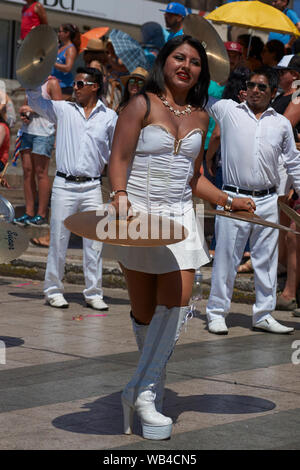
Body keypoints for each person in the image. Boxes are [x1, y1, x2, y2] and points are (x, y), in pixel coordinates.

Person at [107, 35, 255, 441]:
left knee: (177, 302)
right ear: (164, 61)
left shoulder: (203, 118)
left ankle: (143, 395)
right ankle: (147, 386)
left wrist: (228, 200)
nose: (186, 65)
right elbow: (118, 158)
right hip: (135, 217)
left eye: (194, 61)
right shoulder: (141, 103)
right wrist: (119, 197)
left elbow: (194, 179)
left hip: (180, 220)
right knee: (144, 312)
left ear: (201, 73)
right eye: (178, 57)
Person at [205, 66, 300, 336]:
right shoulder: (227, 109)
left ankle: (264, 314)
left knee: (266, 260)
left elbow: (293, 161)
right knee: (226, 256)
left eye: (262, 87)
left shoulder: (281, 123)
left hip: (268, 199)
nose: (255, 91)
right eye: (252, 85)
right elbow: (200, 96)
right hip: (233, 196)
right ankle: (216, 312)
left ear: (273, 93)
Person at [27, 67, 117, 310]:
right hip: (64, 185)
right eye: (75, 84)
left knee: (94, 243)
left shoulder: (109, 117)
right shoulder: (63, 109)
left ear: (94, 86)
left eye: (79, 84)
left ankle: (94, 292)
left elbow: (115, 153)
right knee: (58, 239)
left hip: (92, 185)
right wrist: (33, 77)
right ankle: (53, 290)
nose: (74, 88)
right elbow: (35, 100)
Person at [13, 77, 62, 228]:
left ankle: (41, 214)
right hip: (28, 131)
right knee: (27, 172)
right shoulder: (32, 82)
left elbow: (59, 110)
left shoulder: (52, 83)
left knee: (41, 173)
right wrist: (24, 112)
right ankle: (29, 212)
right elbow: (26, 105)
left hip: (44, 132)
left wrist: (58, 136)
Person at [51, 24, 81, 99]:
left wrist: (52, 63)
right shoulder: (60, 46)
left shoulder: (70, 49)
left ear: (67, 33)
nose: (58, 34)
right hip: (54, 83)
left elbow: (68, 68)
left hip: (64, 85)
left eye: (60, 31)